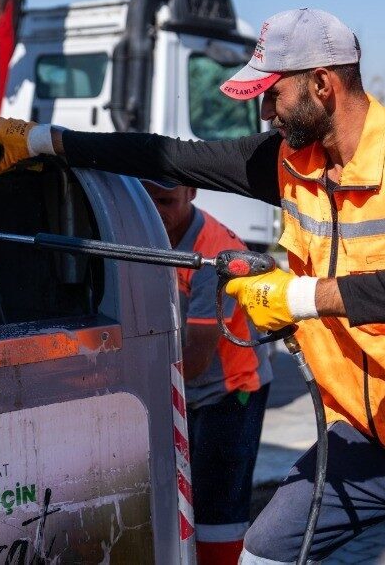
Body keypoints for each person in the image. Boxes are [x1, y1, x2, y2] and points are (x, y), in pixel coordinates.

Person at [0, 8, 385, 564]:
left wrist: (301, 297)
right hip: (368, 433)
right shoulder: (292, 161)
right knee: (262, 553)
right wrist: (45, 141)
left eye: (273, 95)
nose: (266, 113)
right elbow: (171, 158)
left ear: (322, 84)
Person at [141, 180, 272, 565]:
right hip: (192, 390)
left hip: (233, 392)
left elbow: (196, 358)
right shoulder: (152, 235)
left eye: (166, 201)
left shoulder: (213, 255)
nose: (156, 211)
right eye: (148, 199)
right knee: (186, 499)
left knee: (219, 508)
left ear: (192, 192)